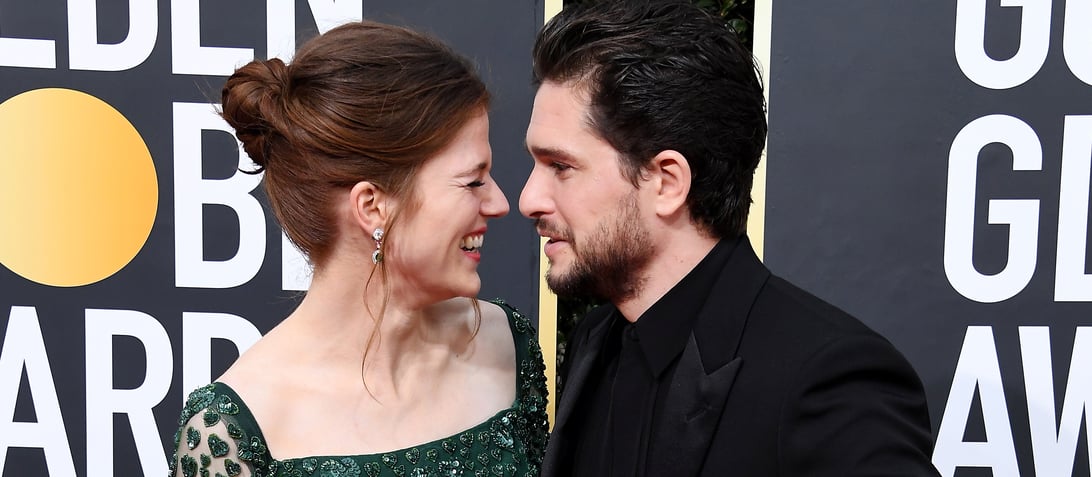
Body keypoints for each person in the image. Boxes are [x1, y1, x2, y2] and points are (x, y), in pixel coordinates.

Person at [520, 1, 939, 476]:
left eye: (561, 167)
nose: (529, 198)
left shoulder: (827, 380)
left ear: (667, 182)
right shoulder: (595, 341)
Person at [168, 21, 548, 477]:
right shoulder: (239, 428)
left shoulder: (506, 343)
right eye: (472, 181)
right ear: (372, 206)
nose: (501, 203)